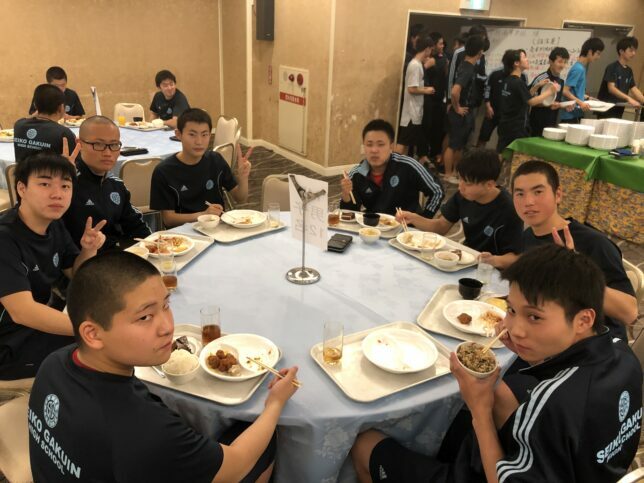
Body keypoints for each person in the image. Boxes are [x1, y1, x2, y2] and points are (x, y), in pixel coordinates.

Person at [350, 244, 642, 483]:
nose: (515, 329)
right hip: (587, 470)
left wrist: (479, 410)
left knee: (365, 445)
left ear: (583, 320)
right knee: (494, 397)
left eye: (534, 317)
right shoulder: (623, 355)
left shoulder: (554, 402)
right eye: (512, 310)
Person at [29, 251, 299, 482]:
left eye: (166, 305)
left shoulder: (54, 363)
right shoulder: (146, 432)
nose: (167, 326)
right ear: (93, 334)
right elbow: (237, 464)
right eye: (145, 317)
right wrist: (275, 403)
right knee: (259, 438)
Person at [482, 160, 637, 340]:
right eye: (520, 194)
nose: (528, 202)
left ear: (558, 195)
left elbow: (629, 312)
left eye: (538, 192)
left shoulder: (594, 243)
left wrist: (577, 274)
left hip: (593, 344)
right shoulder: (528, 236)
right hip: (545, 333)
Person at [0, 152, 106, 380]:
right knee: (106, 353)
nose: (57, 194)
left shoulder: (53, 224)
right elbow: (22, 312)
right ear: (21, 188)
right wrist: (94, 330)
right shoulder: (5, 238)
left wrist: (88, 249)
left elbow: (76, 273)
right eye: (45, 184)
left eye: (65, 186)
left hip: (40, 324)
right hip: (9, 344)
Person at [396, 148, 522, 256]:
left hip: (493, 268)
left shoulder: (510, 209)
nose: (460, 186)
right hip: (468, 256)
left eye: (468, 183)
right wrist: (413, 218)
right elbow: (440, 226)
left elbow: (514, 257)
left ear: (489, 185)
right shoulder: (463, 195)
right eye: (460, 179)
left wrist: (491, 260)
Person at [150, 108, 252, 228]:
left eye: (204, 134)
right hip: (182, 234)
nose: (199, 141)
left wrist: (243, 178)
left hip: (216, 229)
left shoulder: (216, 160)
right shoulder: (164, 171)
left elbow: (240, 198)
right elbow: (169, 219)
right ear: (178, 135)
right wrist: (203, 215)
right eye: (192, 134)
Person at [63, 116, 151, 251]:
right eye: (98, 144)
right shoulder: (66, 185)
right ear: (79, 144)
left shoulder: (116, 185)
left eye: (114, 145)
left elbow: (137, 227)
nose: (108, 153)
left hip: (119, 257)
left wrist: (155, 246)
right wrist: (60, 180)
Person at [341, 119, 444, 218]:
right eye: (369, 144)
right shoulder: (357, 173)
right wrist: (346, 195)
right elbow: (349, 214)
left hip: (407, 227)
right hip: (373, 225)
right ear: (364, 146)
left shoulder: (408, 165)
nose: (374, 150)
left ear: (391, 146)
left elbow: (437, 191)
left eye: (380, 144)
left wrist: (423, 220)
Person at [443, 35, 486, 183]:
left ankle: (455, 172)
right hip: (460, 113)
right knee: (453, 145)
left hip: (464, 112)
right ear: (479, 52)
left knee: (459, 145)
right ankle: (448, 174)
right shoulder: (467, 68)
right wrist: (457, 108)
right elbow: (455, 91)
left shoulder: (465, 65)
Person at [497, 49, 558, 152]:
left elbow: (525, 96)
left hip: (505, 125)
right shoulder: (518, 82)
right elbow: (531, 102)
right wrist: (549, 92)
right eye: (524, 57)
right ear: (516, 63)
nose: (527, 59)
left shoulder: (508, 80)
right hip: (516, 127)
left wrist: (537, 86)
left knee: (503, 152)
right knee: (512, 155)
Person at [14, 84, 77, 162]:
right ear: (61, 107)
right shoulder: (63, 133)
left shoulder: (19, 125)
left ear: (35, 105)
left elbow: (29, 118)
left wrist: (40, 108)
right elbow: (74, 163)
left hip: (22, 170)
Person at [396, 36, 435, 157]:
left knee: (407, 144)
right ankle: (393, 165)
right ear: (427, 49)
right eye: (431, 49)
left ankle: (402, 165)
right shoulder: (415, 65)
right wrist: (427, 91)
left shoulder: (417, 64)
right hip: (411, 113)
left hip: (415, 111)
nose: (431, 53)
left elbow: (415, 87)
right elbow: (411, 89)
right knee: (403, 143)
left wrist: (425, 89)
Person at [477, 67, 528, 148]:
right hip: (492, 111)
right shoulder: (495, 73)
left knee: (504, 141)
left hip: (508, 115)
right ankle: (478, 155)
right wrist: (488, 106)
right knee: (483, 136)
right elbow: (487, 89)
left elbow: (525, 95)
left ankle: (499, 155)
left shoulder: (523, 76)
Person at [597, 36, 644, 119]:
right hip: (606, 110)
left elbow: (634, 89)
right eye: (631, 50)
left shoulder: (629, 70)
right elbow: (611, 88)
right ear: (621, 51)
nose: (634, 53)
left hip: (619, 110)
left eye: (634, 51)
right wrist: (629, 99)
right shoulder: (612, 67)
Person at [560, 37, 605, 124]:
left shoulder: (581, 68)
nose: (598, 57)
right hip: (570, 115)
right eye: (598, 53)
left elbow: (574, 90)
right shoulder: (578, 69)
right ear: (590, 52)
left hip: (575, 114)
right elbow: (565, 91)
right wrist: (581, 103)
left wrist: (587, 97)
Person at [528, 47, 570, 137]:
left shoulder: (561, 81)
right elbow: (529, 101)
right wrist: (548, 104)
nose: (562, 65)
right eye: (560, 61)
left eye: (565, 62)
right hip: (536, 124)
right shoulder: (542, 78)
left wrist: (563, 105)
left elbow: (555, 102)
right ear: (551, 61)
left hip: (551, 124)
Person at [422, 32, 449, 164]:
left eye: (443, 44)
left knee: (438, 128)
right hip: (429, 98)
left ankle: (435, 153)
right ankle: (423, 154)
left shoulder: (444, 58)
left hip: (440, 99)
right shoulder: (429, 59)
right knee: (427, 128)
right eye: (440, 44)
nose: (442, 46)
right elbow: (421, 72)